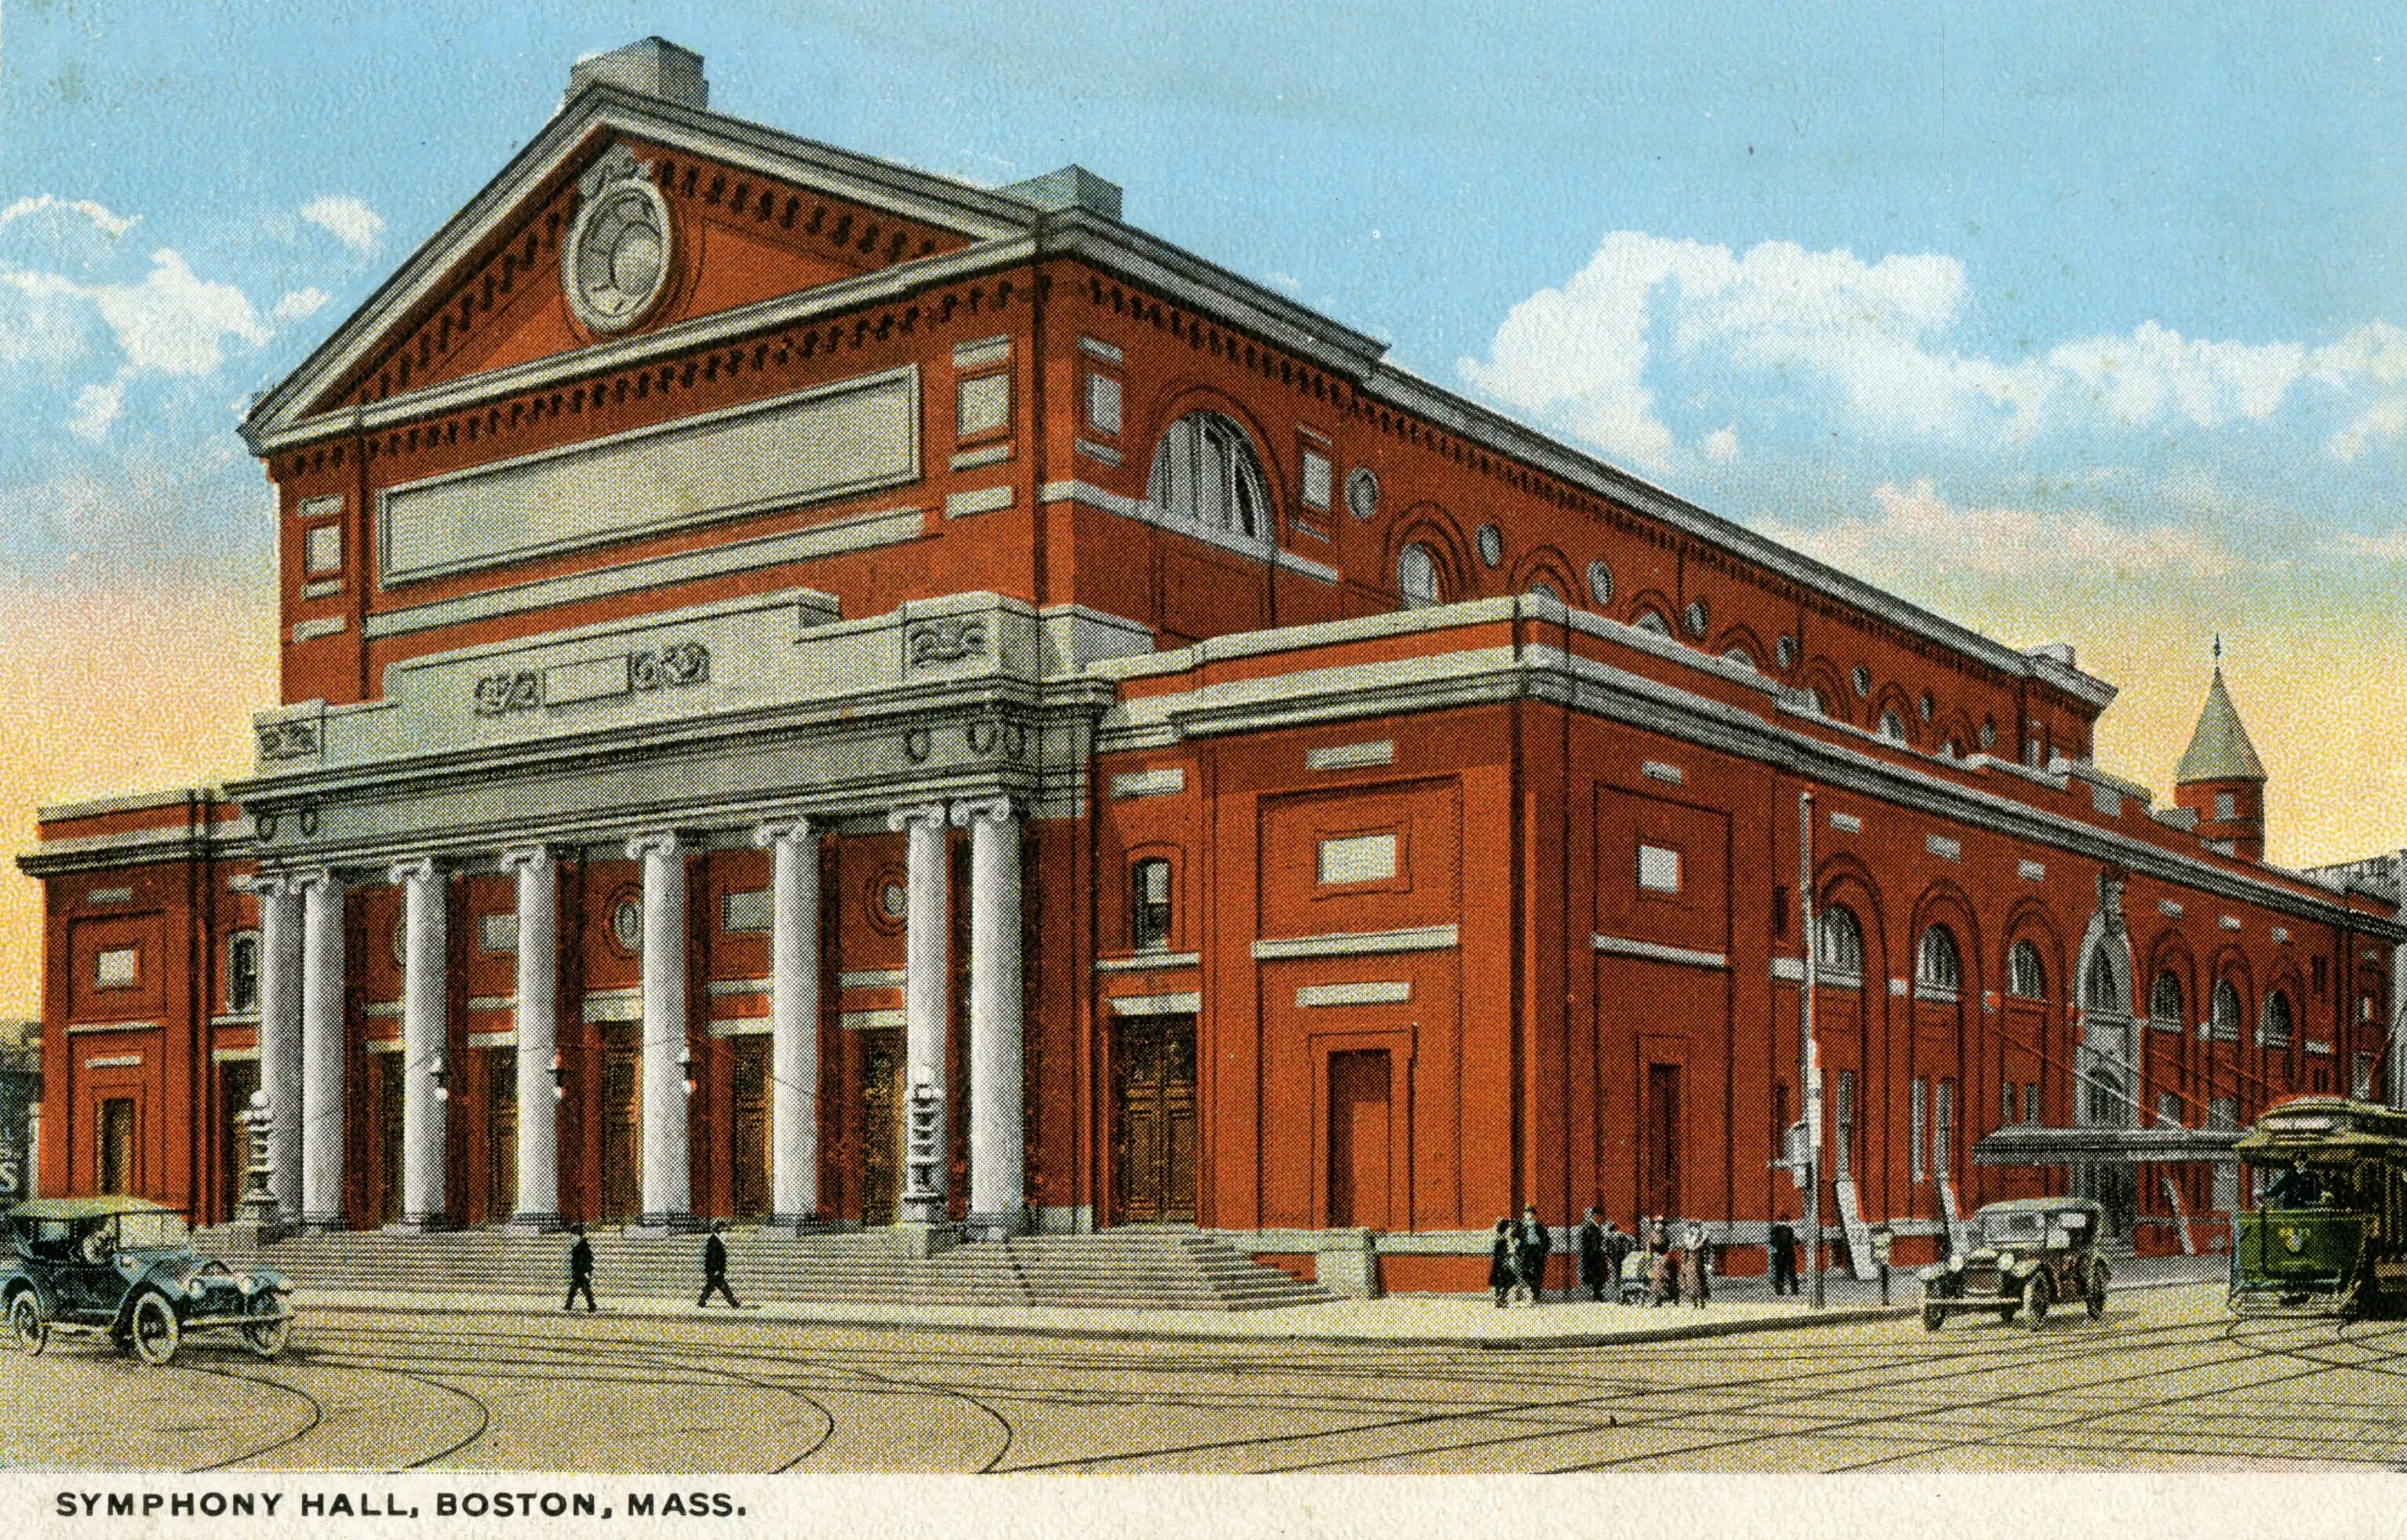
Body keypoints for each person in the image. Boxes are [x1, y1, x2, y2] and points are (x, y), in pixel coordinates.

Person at [697, 1221, 742, 1309]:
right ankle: (733, 1303)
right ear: (720, 1230)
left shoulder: (716, 1240)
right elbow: (712, 1258)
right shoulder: (714, 1241)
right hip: (714, 1270)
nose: (727, 1234)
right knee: (722, 1286)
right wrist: (716, 1270)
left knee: (711, 1286)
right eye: (726, 1231)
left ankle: (701, 1302)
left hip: (714, 1270)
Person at [1515, 1206, 1553, 1305]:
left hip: (1536, 1252)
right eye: (1527, 1213)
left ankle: (1536, 1296)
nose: (1529, 1215)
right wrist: (1518, 1249)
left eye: (1531, 1213)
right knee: (1525, 1272)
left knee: (1537, 1273)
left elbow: (1547, 1240)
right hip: (1526, 1253)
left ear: (1533, 1215)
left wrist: (1543, 1251)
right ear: (1524, 1214)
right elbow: (1515, 1238)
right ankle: (1531, 1292)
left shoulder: (1538, 1227)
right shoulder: (1520, 1227)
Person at [1576, 1208, 1610, 1302]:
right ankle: (1596, 1295)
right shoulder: (1590, 1229)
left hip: (1595, 1256)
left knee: (1600, 1275)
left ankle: (1597, 1295)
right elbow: (1589, 1244)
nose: (1602, 1219)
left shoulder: (1595, 1228)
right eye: (1600, 1216)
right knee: (1595, 1275)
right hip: (1591, 1257)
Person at [563, 1224, 596, 1312]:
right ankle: (590, 1306)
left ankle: (569, 1306)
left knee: (578, 1289)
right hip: (579, 1271)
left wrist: (586, 1269)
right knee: (580, 1289)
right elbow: (589, 1258)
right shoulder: (580, 1244)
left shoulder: (580, 1245)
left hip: (580, 1271)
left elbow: (587, 1258)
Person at [1488, 1218, 1516, 1307]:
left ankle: (1502, 1298)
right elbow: (1499, 1255)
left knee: (1508, 1281)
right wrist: (1504, 1263)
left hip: (1505, 1265)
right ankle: (1500, 1298)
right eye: (1508, 1229)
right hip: (1501, 1265)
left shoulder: (1507, 1241)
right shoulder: (1501, 1242)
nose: (1510, 1231)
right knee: (1502, 1282)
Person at [1681, 1221, 1710, 1308]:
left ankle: (1701, 1302)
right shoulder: (1687, 1239)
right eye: (1692, 1226)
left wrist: (1706, 1263)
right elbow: (1684, 1252)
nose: (1693, 1228)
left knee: (1699, 1282)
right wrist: (1683, 1263)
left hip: (1698, 1262)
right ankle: (1695, 1302)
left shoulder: (1701, 1239)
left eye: (1695, 1226)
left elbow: (1705, 1251)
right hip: (1690, 1263)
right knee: (1690, 1282)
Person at [1768, 1220, 1799, 1296]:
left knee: (1782, 1274)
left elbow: (1773, 1242)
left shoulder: (1778, 1230)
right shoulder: (1781, 1230)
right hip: (1785, 1254)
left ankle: (1782, 1291)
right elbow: (1796, 1241)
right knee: (1786, 1273)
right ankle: (1792, 1291)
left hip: (1783, 1254)